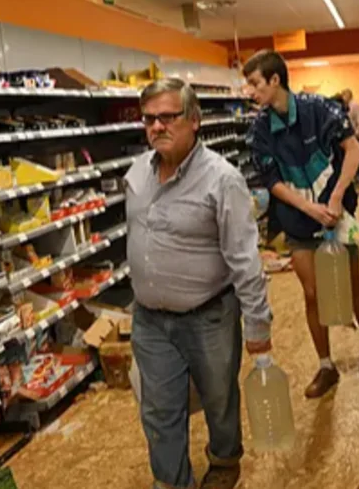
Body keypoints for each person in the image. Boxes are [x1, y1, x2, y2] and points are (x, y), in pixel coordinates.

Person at [124, 77, 272, 489]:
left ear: (194, 120)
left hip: (209, 315)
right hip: (150, 321)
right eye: (150, 119)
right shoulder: (137, 173)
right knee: (158, 410)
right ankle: (173, 482)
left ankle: (224, 460)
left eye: (168, 117)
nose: (157, 126)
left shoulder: (222, 180)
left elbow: (244, 257)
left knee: (219, 397)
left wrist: (258, 324)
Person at [243, 50, 359, 399]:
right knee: (312, 293)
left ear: (275, 80)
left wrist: (333, 200)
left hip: (337, 212)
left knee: (350, 282)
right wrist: (308, 208)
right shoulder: (260, 128)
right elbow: (272, 181)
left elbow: (354, 152)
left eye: (255, 83)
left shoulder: (320, 109)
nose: (250, 91)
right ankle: (325, 366)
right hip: (298, 218)